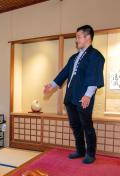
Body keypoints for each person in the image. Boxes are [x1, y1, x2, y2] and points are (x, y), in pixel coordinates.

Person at [44, 25, 104, 164]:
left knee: (86, 125)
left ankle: (90, 153)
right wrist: (52, 85)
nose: (76, 40)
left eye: (78, 37)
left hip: (84, 98)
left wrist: (88, 95)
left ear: (88, 37)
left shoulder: (95, 56)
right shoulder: (74, 57)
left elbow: (93, 76)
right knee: (75, 125)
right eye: (76, 37)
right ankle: (80, 150)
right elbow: (64, 73)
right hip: (70, 97)